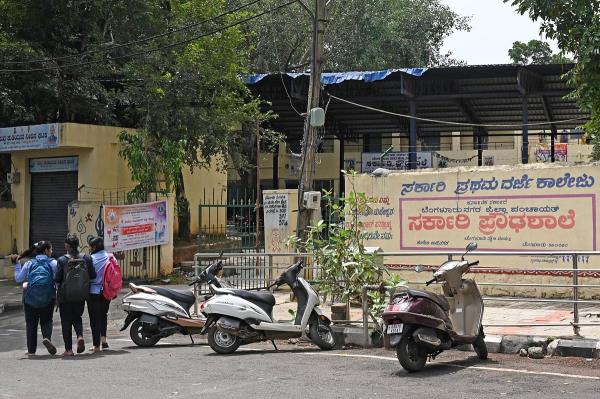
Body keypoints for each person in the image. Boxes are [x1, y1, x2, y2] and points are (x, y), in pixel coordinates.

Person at [11, 241, 58, 356]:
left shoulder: (29, 263)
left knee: (31, 324)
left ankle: (31, 350)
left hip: (30, 299)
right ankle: (46, 338)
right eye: (51, 249)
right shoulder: (53, 263)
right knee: (47, 320)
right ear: (46, 250)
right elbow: (58, 279)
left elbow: (18, 278)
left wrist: (17, 265)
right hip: (47, 297)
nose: (52, 252)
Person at [55, 234, 96, 356]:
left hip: (65, 296)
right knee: (77, 317)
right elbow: (93, 275)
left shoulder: (62, 260)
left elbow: (57, 278)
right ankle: (79, 336)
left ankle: (68, 350)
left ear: (67, 245)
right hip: (81, 294)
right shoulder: (87, 258)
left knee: (66, 321)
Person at [87, 236, 111, 352]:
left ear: (94, 247)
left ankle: (96, 346)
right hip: (107, 292)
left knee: (94, 319)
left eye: (90, 247)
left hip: (93, 292)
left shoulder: (90, 259)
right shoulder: (110, 257)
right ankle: (104, 339)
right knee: (103, 315)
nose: (89, 249)